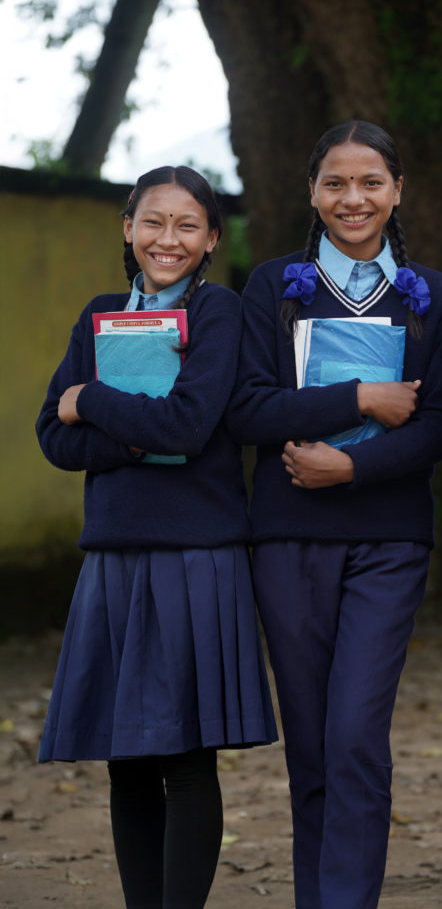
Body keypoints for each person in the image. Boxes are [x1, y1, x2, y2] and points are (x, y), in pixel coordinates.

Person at [36, 165, 277, 909]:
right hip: (112, 557)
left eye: (185, 226)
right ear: (128, 229)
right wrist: (137, 436)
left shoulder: (218, 315)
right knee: (125, 760)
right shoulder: (99, 315)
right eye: (152, 222)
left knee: (182, 756)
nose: (166, 239)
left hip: (194, 557)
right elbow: (53, 436)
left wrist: (95, 402)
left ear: (210, 241)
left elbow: (190, 423)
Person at [228, 120, 442, 909]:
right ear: (313, 192)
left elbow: (440, 425)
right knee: (313, 747)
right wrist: (358, 398)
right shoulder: (272, 286)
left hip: (389, 542)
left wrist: (352, 463)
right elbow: (247, 408)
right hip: (287, 537)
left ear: (397, 191)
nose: (352, 199)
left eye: (369, 183)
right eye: (335, 183)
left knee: (356, 736)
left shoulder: (431, 295)